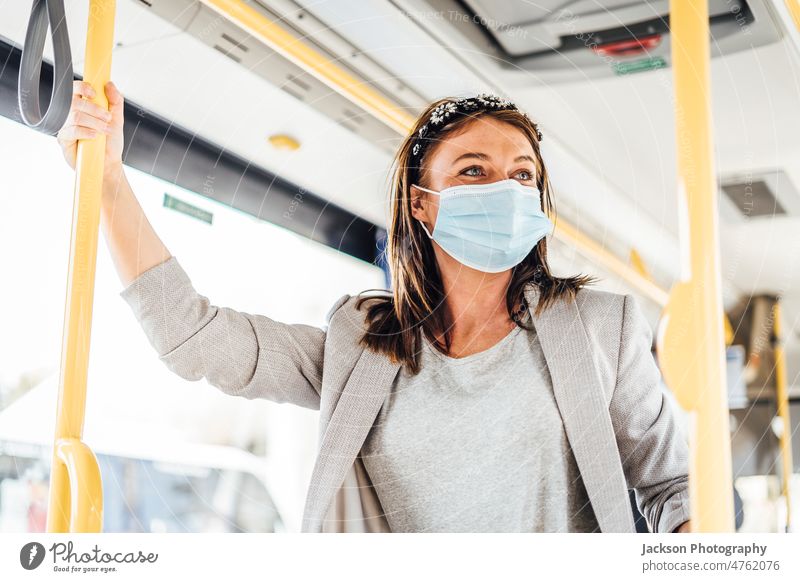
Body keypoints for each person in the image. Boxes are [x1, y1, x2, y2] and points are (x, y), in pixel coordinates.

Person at [57, 80, 691, 533]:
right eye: (474, 171)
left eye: (523, 175)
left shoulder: (601, 329)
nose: (506, 188)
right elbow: (196, 338)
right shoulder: (358, 344)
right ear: (422, 203)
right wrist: (109, 181)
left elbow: (673, 488)